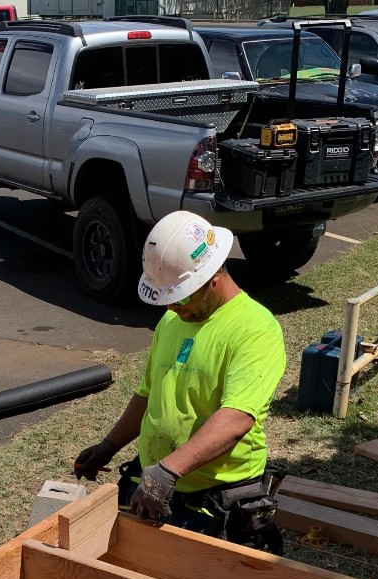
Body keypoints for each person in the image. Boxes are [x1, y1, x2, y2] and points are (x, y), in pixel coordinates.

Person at [74, 210, 286, 552]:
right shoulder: (172, 322)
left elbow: (236, 418)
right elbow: (148, 394)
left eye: (182, 295)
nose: (173, 306)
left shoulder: (255, 329)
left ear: (214, 274)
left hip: (214, 501)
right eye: (168, 297)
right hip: (155, 483)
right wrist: (110, 444)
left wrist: (167, 471)